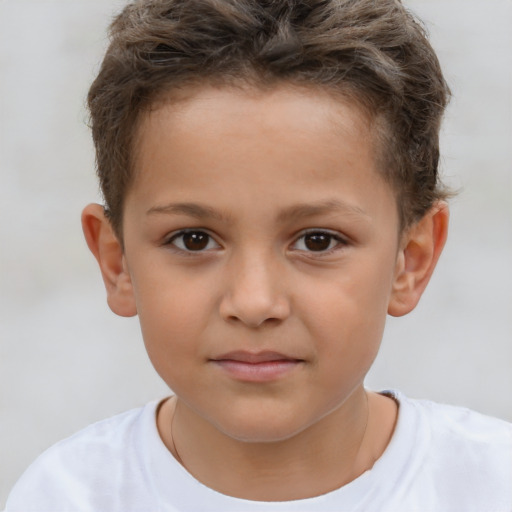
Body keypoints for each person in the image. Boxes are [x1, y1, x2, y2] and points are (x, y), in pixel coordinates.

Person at [4, 0, 511, 510]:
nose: (253, 302)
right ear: (117, 263)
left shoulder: (492, 485)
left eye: (318, 240)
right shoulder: (62, 496)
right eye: (193, 239)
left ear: (412, 260)